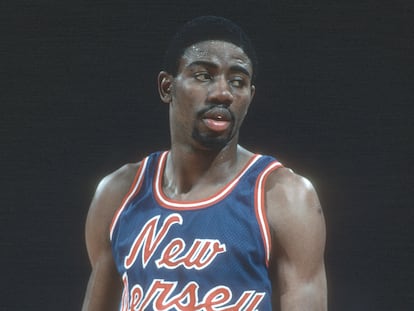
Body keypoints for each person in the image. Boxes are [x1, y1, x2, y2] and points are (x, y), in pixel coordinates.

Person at [82, 16, 327, 311]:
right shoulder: (118, 194)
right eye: (203, 76)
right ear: (166, 87)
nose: (223, 93)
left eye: (238, 81)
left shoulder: (284, 196)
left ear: (250, 96)